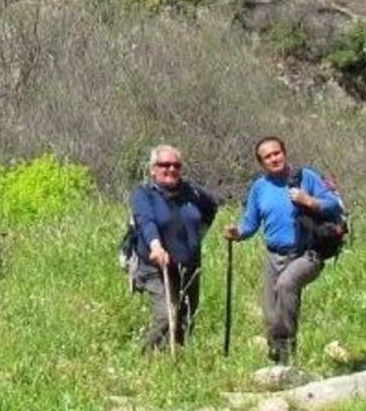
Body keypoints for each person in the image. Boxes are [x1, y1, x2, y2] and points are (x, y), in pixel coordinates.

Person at [224, 136, 342, 365]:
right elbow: (250, 224)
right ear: (261, 163)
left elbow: (333, 203)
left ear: (284, 152)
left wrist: (310, 201)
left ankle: (286, 349)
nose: (274, 158)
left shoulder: (305, 177)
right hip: (274, 255)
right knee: (271, 313)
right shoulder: (259, 188)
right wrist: (236, 233)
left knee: (286, 284)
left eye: (277, 153)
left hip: (307, 253)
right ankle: (278, 358)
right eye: (267, 156)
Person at [128, 144, 219, 351]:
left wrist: (199, 236)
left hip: (188, 265)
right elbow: (146, 221)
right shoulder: (143, 194)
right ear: (153, 169)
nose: (171, 169)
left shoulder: (192, 193)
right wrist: (156, 246)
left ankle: (175, 364)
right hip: (155, 266)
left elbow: (211, 207)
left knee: (184, 321)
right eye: (164, 165)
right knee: (166, 316)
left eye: (176, 165)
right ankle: (146, 358)